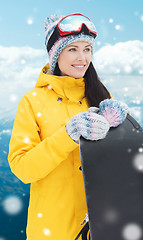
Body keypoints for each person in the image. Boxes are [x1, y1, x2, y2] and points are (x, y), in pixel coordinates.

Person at [8, 13, 128, 239]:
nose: (82, 57)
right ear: (55, 54)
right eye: (72, 49)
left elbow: (118, 165)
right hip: (52, 231)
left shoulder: (100, 96)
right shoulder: (33, 101)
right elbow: (23, 168)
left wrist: (120, 130)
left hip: (98, 228)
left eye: (87, 49)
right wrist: (68, 136)